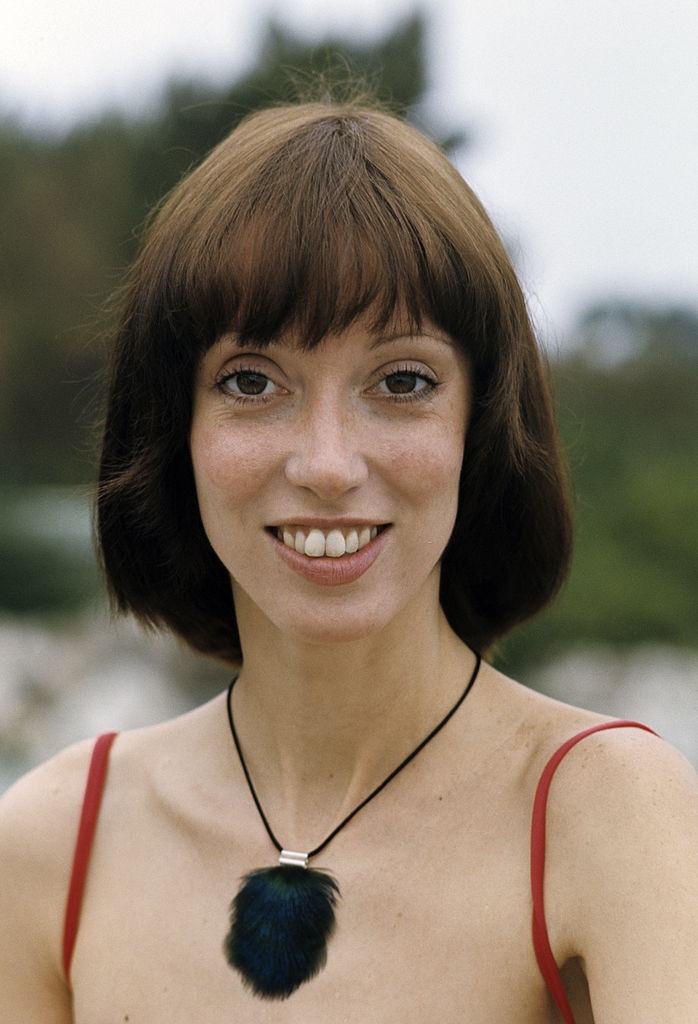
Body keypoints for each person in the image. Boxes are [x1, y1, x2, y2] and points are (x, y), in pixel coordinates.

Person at [1, 97, 697, 1023]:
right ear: (175, 430)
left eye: (402, 381)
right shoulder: (53, 843)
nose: (327, 465)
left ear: (479, 429)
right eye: (252, 381)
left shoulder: (608, 814)